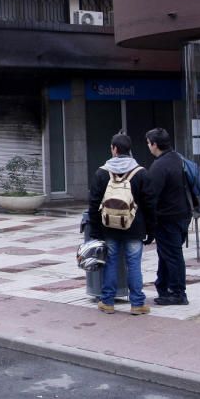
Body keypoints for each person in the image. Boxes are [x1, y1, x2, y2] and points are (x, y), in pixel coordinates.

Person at [88, 133, 154, 315]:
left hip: (108, 227)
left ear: (114, 149)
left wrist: (95, 230)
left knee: (110, 262)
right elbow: (149, 204)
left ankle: (107, 301)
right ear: (129, 149)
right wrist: (150, 230)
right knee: (133, 264)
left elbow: (93, 203)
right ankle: (137, 304)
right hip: (135, 227)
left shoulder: (102, 172)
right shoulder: (141, 173)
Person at [145, 127, 192, 305]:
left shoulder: (159, 166)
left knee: (172, 255)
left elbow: (151, 196)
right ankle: (163, 287)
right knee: (167, 254)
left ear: (155, 144)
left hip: (167, 218)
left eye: (149, 143)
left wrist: (148, 223)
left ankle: (178, 292)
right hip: (181, 215)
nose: (148, 147)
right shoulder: (177, 159)